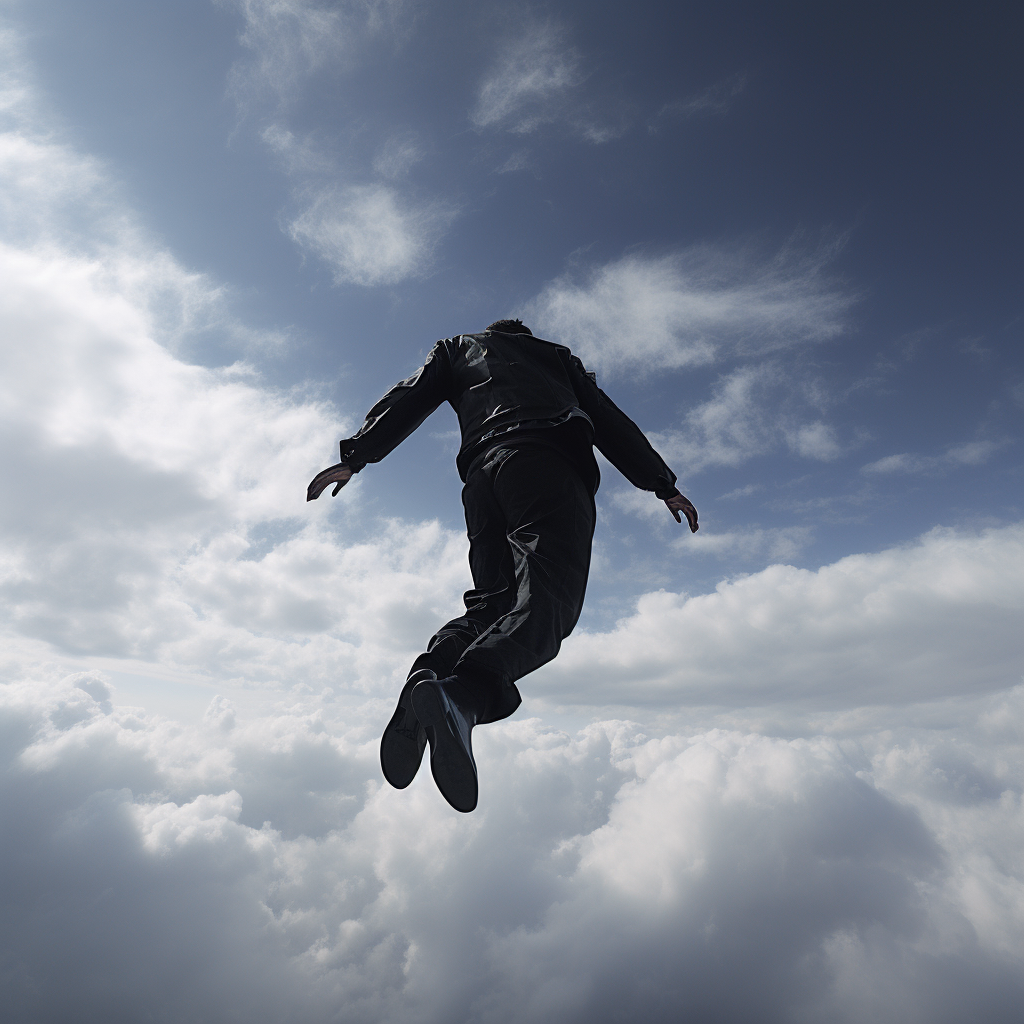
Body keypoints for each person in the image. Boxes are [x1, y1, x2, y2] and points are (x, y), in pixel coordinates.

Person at [307, 319, 698, 812]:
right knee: (547, 595)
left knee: (491, 602)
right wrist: (663, 484)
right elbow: (609, 420)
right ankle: (465, 696)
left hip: (482, 476)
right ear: (525, 336)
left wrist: (358, 455)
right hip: (546, 460)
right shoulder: (557, 358)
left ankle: (429, 678)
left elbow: (411, 394)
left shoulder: (456, 350)